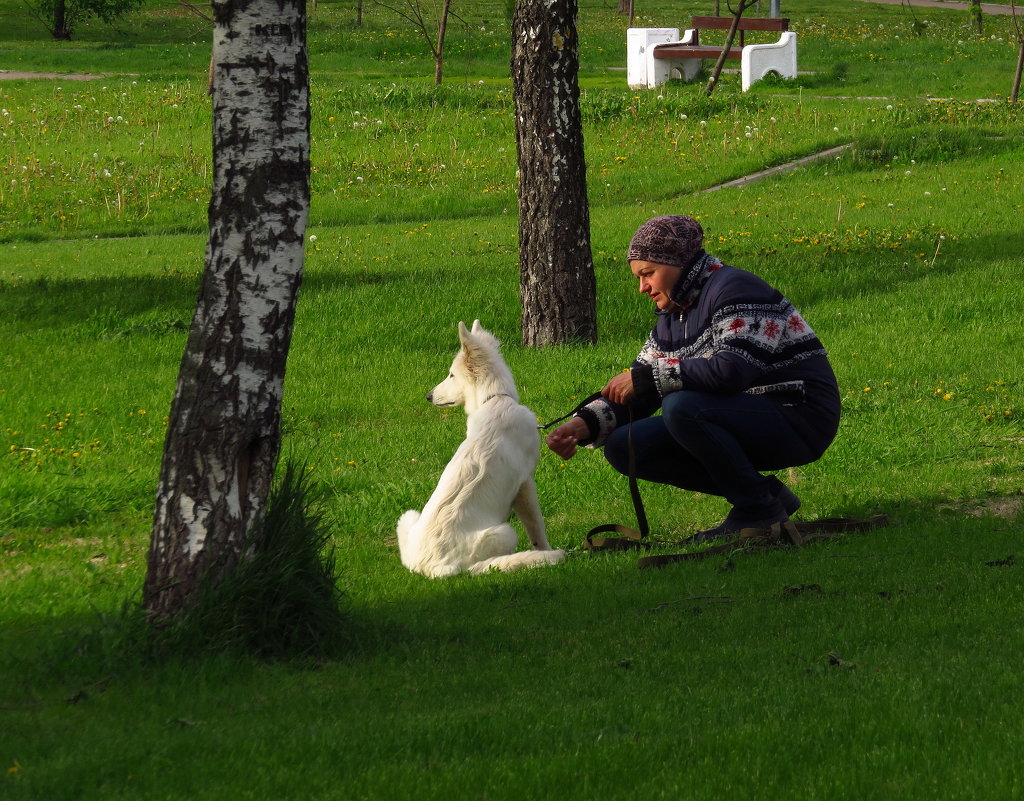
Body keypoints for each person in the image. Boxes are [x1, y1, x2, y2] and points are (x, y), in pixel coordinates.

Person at [545, 214, 841, 540]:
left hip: (799, 415)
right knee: (623, 446)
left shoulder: (736, 289)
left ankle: (759, 511)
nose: (642, 287)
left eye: (648, 274)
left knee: (682, 406)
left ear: (679, 263)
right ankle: (766, 498)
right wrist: (582, 425)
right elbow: (640, 389)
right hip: (745, 417)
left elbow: (732, 370)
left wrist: (648, 378)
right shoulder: (673, 316)